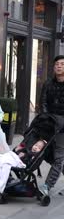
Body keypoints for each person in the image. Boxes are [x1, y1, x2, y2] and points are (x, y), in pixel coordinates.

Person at [38, 55, 64, 196]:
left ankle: (47, 186)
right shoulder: (48, 83)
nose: (59, 66)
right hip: (49, 123)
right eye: (57, 64)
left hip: (63, 128)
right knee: (48, 155)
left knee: (59, 156)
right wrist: (45, 118)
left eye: (62, 64)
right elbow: (43, 103)